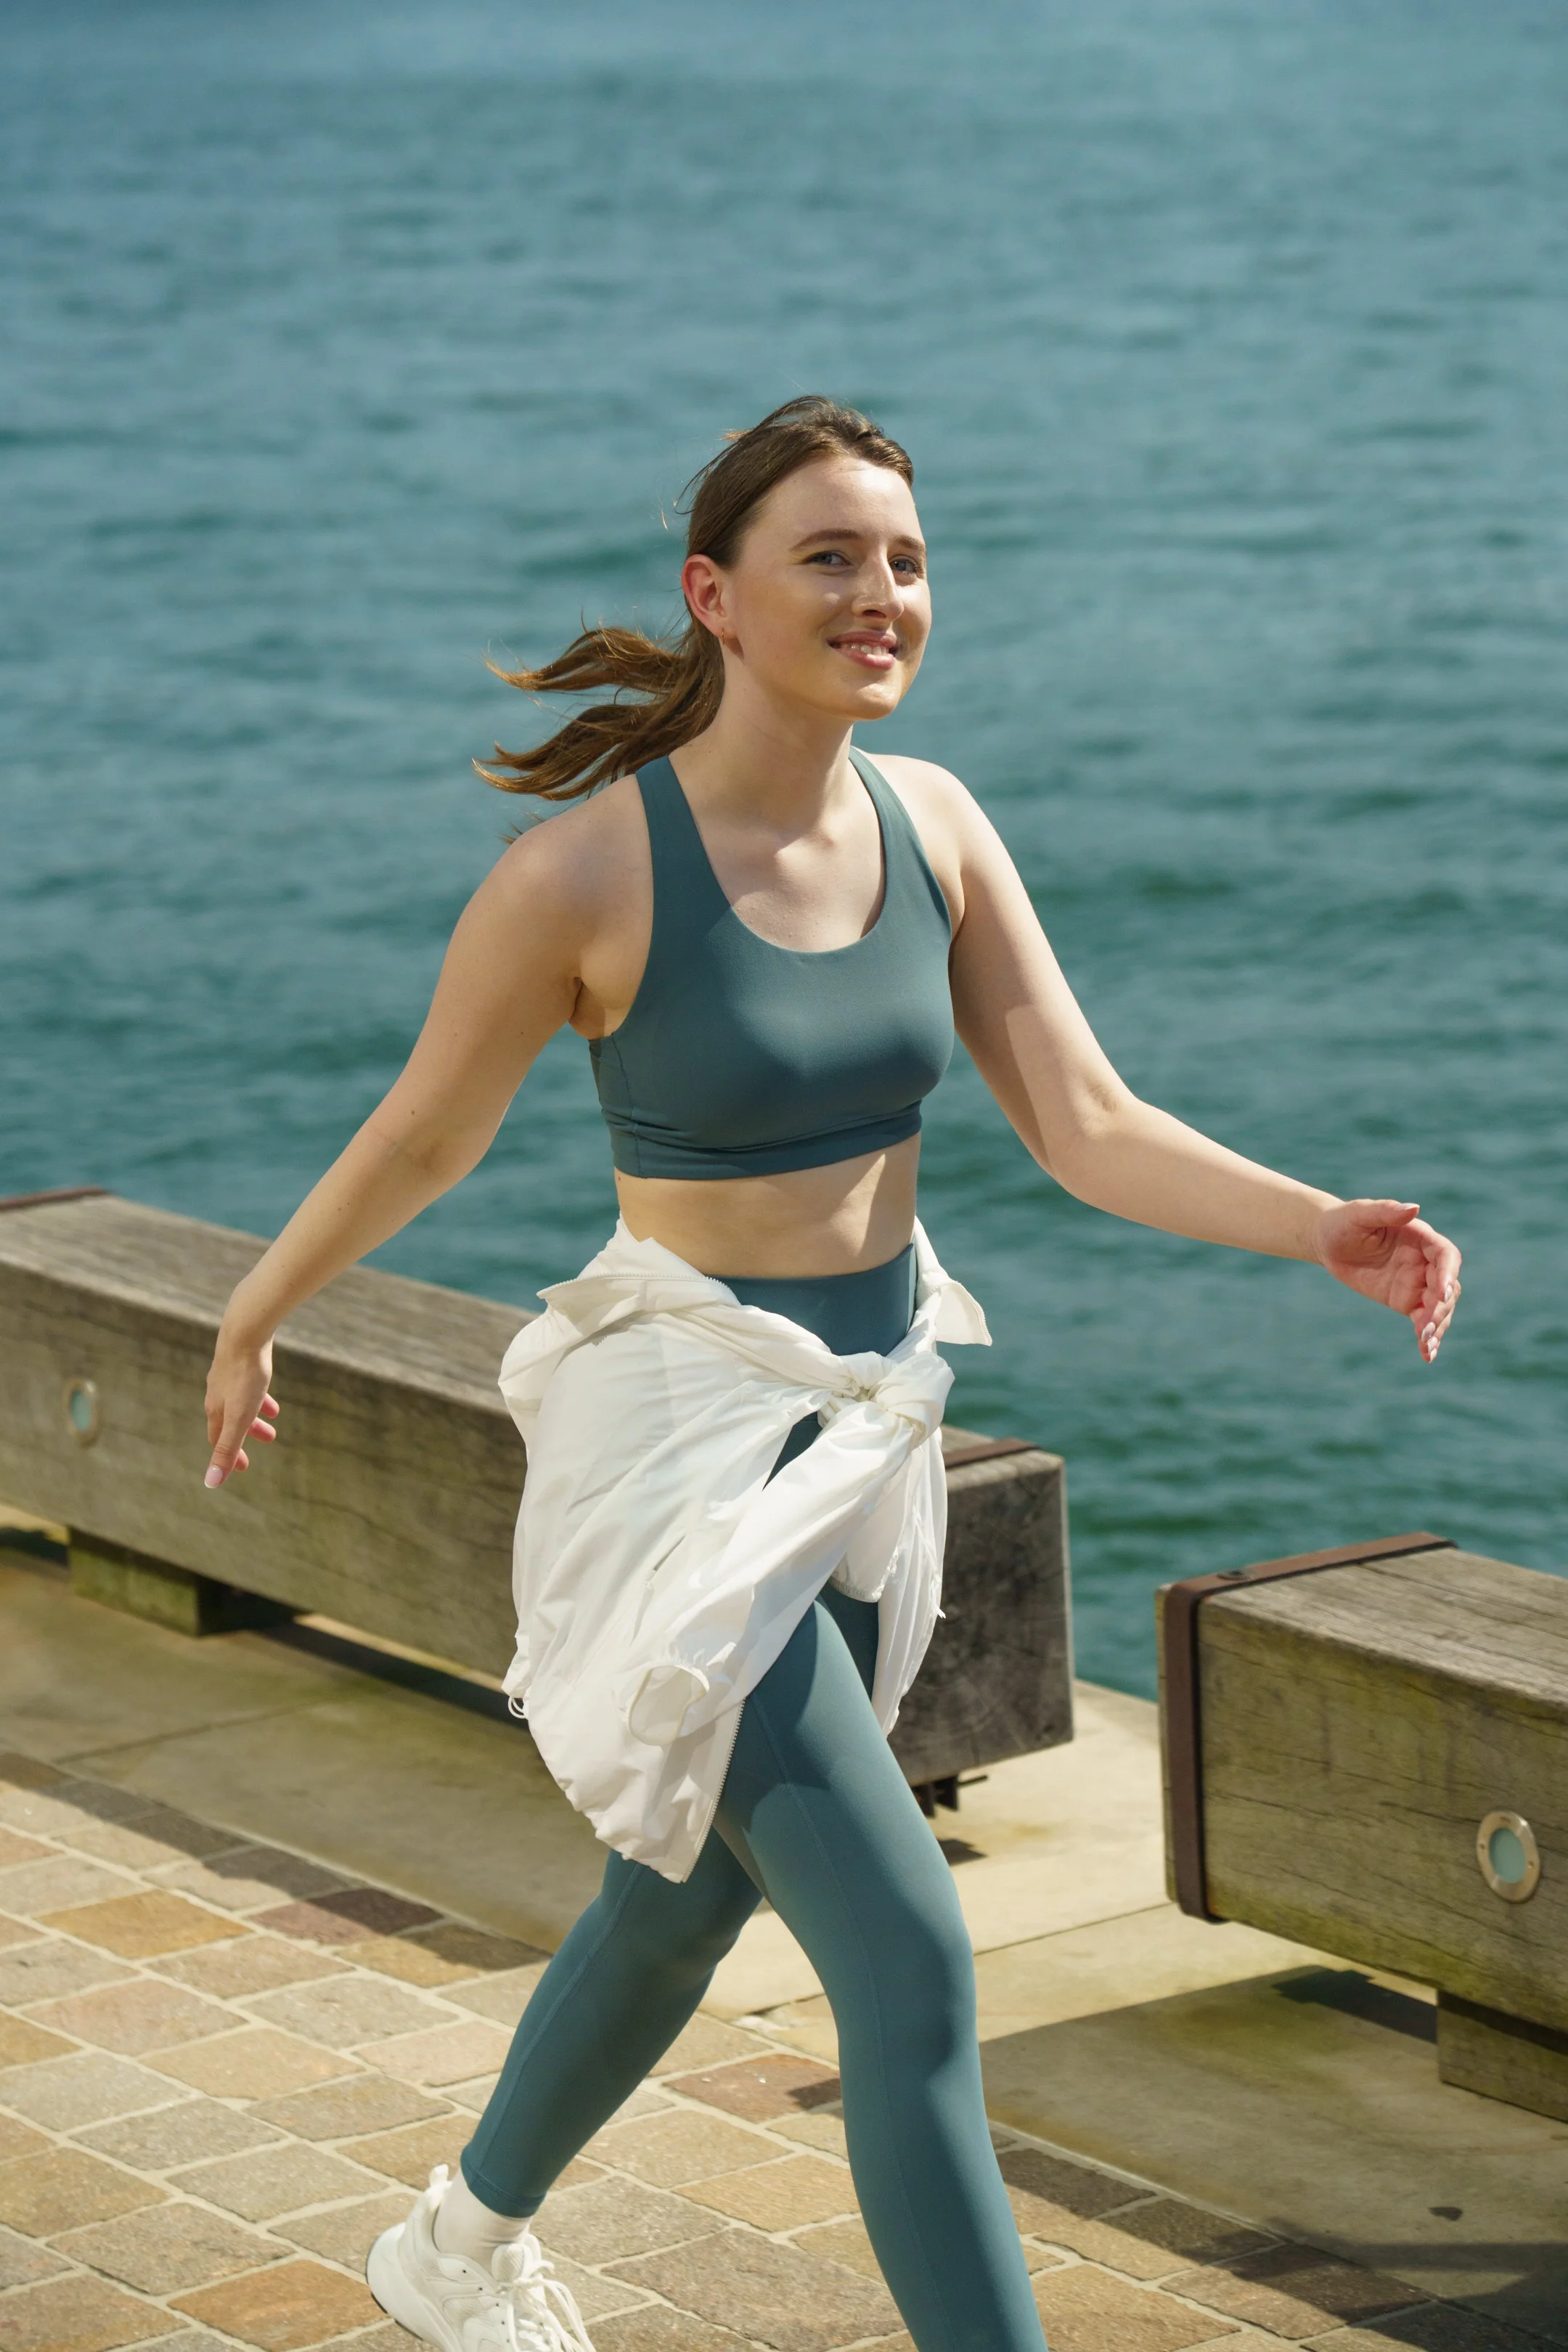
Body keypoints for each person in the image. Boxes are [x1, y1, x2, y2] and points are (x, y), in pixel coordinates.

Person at [201, 396, 1462, 2352]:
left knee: (681, 1902)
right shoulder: (585, 877)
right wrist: (255, 1305)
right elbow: (427, 1132)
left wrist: (1321, 1225)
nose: (884, 593)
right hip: (683, 1456)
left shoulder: (934, 824)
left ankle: (455, 2245)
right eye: (832, 557)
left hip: (868, 1441)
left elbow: (1087, 1119)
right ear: (713, 595)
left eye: (908, 560)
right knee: (912, 1962)